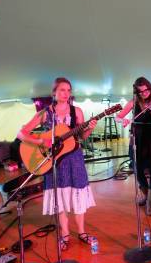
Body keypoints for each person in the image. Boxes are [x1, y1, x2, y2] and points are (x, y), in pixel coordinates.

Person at [17, 77, 98, 250]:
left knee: (78, 195)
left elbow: (82, 137)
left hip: (74, 159)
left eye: (69, 90)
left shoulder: (77, 112)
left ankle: (82, 232)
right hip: (54, 161)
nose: (66, 93)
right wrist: (41, 142)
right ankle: (66, 235)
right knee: (60, 198)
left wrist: (90, 127)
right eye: (62, 90)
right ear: (54, 92)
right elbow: (21, 134)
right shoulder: (45, 113)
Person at [116, 77, 151, 216]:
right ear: (137, 92)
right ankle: (145, 193)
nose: (145, 93)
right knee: (137, 169)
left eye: (147, 90)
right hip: (138, 140)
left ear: (150, 88)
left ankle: (150, 201)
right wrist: (124, 120)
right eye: (141, 91)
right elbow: (118, 117)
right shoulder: (133, 102)